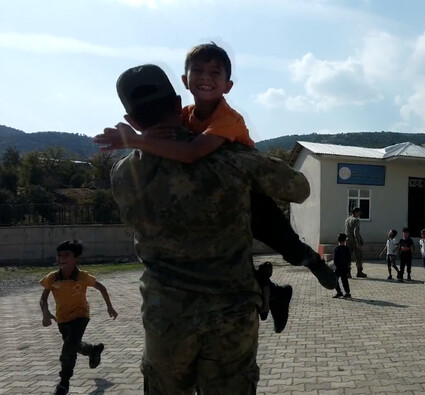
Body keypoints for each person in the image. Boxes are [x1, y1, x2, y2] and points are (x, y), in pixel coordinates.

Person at [94, 45, 336, 326]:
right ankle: (271, 290)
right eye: (197, 71)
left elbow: (191, 152)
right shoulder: (187, 117)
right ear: (181, 91)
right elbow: (299, 188)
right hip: (231, 306)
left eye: (214, 73)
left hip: (252, 198)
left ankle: (311, 262)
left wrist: (136, 140)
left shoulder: (126, 174)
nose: (205, 78)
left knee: (288, 245)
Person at [106, 64, 312, 392]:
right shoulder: (230, 157)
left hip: (166, 317)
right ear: (179, 104)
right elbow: (299, 188)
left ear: (131, 121)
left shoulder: (122, 174)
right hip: (231, 316)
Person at [39, 240, 118, 395]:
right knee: (74, 345)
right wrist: (45, 313)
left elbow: (101, 287)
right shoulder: (52, 278)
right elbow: (43, 298)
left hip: (81, 316)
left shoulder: (83, 277)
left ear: (77, 258)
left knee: (68, 350)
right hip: (62, 318)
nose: (62, 258)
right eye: (59, 255)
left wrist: (110, 306)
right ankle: (93, 350)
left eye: (66, 255)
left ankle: (64, 383)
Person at [344, 207, 366, 278]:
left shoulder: (347, 220)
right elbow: (356, 232)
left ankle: (347, 273)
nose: (359, 214)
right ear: (356, 212)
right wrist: (358, 243)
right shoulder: (356, 220)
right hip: (354, 241)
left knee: (348, 257)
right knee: (359, 256)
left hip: (347, 240)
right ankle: (359, 272)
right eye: (359, 212)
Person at [331, 233, 352, 298]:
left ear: (338, 240)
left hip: (339, 267)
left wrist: (336, 266)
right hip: (345, 267)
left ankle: (339, 292)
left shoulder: (337, 249)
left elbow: (335, 259)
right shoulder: (347, 249)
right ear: (345, 241)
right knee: (344, 279)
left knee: (334, 279)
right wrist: (347, 265)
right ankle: (347, 292)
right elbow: (349, 258)